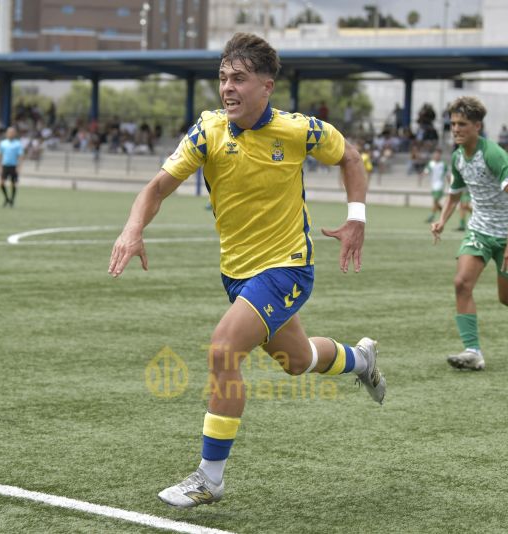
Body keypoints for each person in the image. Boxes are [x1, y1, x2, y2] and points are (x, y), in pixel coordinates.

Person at [108, 33, 385, 508]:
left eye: (238, 78)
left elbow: (351, 158)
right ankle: (361, 360)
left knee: (222, 350)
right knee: (296, 361)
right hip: (237, 275)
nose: (227, 88)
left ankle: (209, 478)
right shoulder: (207, 132)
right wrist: (133, 230)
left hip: (287, 268)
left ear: (267, 86)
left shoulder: (299, 131)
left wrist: (357, 219)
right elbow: (154, 189)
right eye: (222, 78)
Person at [430, 96, 508, 371]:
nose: (456, 129)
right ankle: (473, 351)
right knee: (461, 283)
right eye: (452, 124)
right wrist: (442, 220)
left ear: (477, 126)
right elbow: (454, 193)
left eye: (462, 124)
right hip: (479, 230)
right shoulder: (458, 156)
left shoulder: (494, 154)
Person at [0, 126, 24, 207]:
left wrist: (19, 167)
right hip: (5, 165)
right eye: (9, 132)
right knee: (1, 183)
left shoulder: (18, 144)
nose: (10, 134)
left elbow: (21, 156)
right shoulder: (3, 143)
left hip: (13, 166)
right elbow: (0, 155)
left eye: (12, 132)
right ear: (6, 133)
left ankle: (12, 200)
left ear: (15, 134)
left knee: (14, 184)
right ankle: (6, 198)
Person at [423, 148, 448, 223]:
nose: (436, 156)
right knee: (436, 202)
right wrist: (423, 174)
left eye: (438, 154)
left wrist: (450, 183)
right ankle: (444, 214)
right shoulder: (431, 163)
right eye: (435, 154)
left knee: (435, 200)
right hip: (433, 185)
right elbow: (426, 171)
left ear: (440, 155)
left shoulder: (443, 164)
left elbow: (447, 175)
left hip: (440, 185)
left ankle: (431, 216)